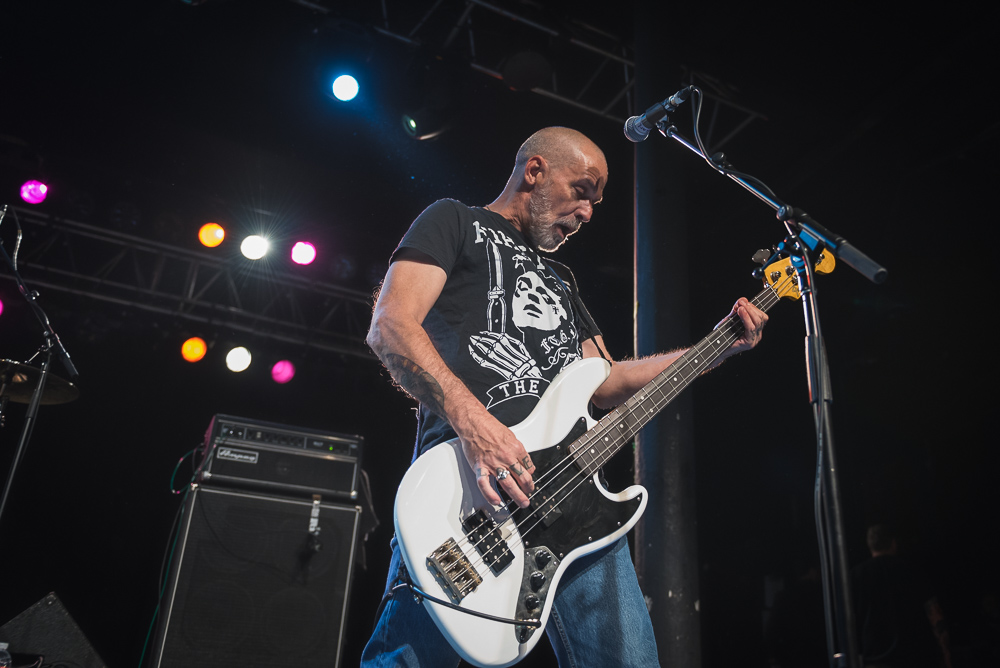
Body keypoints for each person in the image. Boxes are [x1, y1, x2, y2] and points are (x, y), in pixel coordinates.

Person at [361, 126, 768, 667]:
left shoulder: (562, 280)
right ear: (535, 171)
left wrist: (715, 349)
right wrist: (477, 427)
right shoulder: (454, 221)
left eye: (596, 201)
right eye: (583, 189)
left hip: (575, 503)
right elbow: (391, 325)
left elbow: (605, 384)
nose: (588, 212)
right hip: (466, 493)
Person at [851, 524, 953, 668]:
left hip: (875, 661)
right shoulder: (912, 571)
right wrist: (946, 654)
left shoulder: (855, 576)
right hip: (914, 658)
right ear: (894, 543)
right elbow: (935, 615)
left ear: (870, 546)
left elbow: (850, 622)